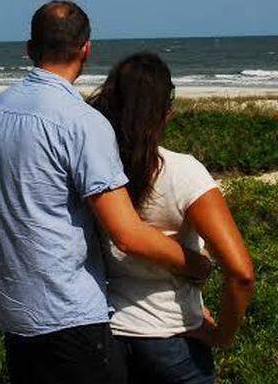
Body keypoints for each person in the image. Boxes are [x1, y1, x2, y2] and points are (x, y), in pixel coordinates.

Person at [0, 0, 212, 384]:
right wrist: (197, 266)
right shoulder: (83, 123)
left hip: (13, 310)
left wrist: (3, 216)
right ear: (86, 49)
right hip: (70, 316)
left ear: (30, 48)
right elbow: (127, 233)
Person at [89, 52, 256, 384]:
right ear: (165, 111)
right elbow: (241, 273)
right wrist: (223, 335)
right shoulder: (182, 172)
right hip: (173, 339)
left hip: (110, 334)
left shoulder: (94, 169)